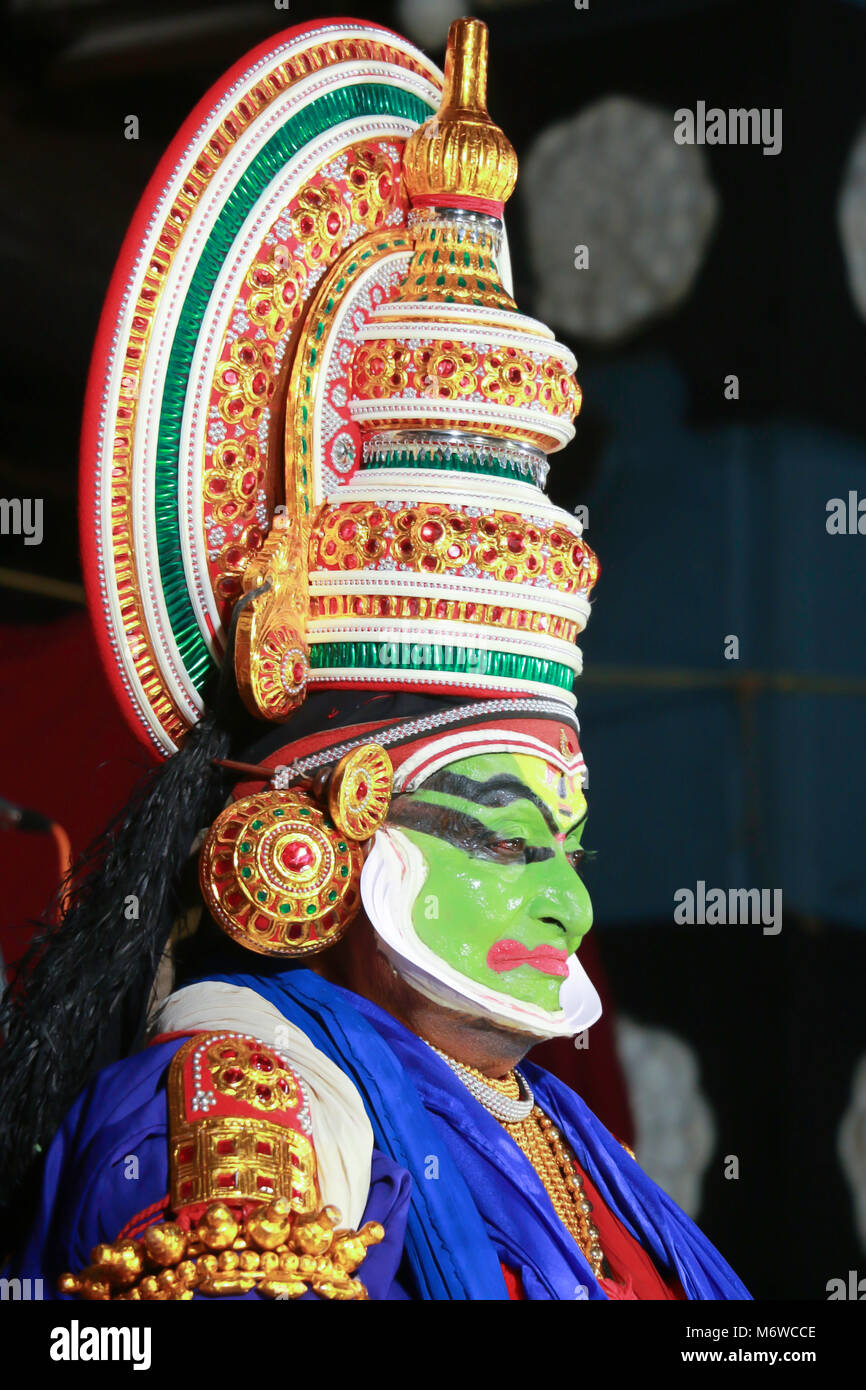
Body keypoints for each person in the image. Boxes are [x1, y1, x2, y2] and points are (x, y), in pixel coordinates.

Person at [0, 16, 748, 1301]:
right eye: (504, 836)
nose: (566, 906)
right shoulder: (245, 1103)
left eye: (566, 848)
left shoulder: (565, 1142)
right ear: (317, 830)